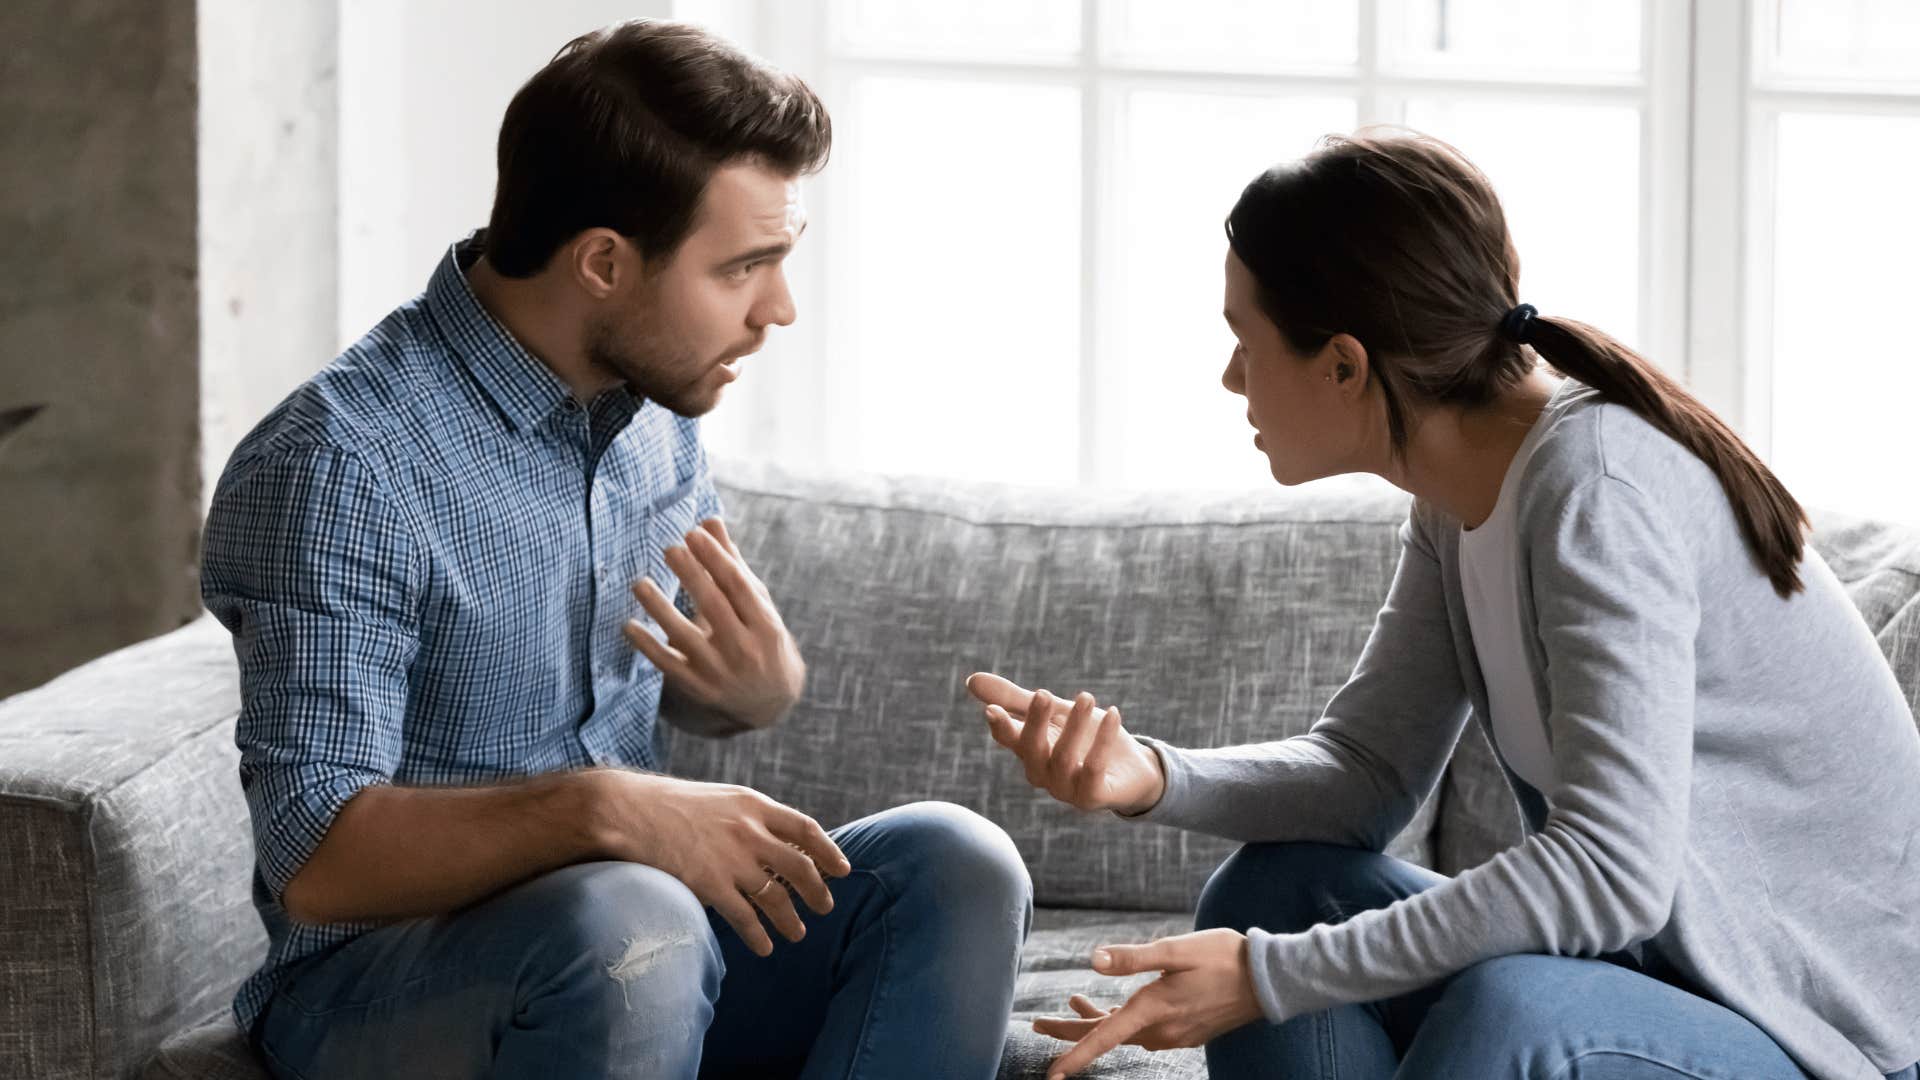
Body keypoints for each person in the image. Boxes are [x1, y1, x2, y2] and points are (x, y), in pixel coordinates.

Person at [967, 130, 1920, 1080]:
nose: (1230, 379)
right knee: (1277, 889)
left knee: (1517, 1012)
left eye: (1243, 342)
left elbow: (1610, 875)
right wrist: (1152, 775)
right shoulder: (1456, 496)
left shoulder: (1598, 489)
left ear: (1344, 363)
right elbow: (1366, 770)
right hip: (1673, 989)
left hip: (1833, 1042)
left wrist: (1268, 976)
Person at [201, 19, 1029, 1079]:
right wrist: (608, 811)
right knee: (632, 918)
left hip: (645, 958)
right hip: (384, 986)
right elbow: (315, 858)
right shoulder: (340, 466)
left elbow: (623, 683)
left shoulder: (649, 405)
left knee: (954, 864)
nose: (777, 309)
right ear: (603, 262)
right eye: (743, 268)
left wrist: (752, 691)